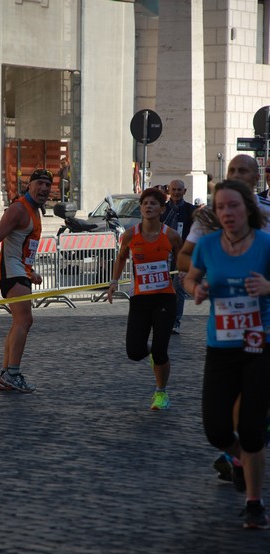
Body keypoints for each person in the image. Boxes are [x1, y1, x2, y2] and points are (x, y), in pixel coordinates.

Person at [184, 179, 270, 529]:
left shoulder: (266, 244)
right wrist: (197, 289)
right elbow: (188, 278)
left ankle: (254, 502)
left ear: (247, 208)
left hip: (258, 345)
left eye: (233, 206)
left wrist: (268, 287)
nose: (227, 213)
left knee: (250, 430)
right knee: (216, 431)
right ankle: (243, 462)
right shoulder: (207, 246)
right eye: (221, 208)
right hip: (220, 346)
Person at [108, 187, 182, 410]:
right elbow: (121, 258)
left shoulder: (171, 235)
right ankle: (154, 354)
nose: (148, 206)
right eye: (145, 203)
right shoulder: (130, 235)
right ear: (141, 208)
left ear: (161, 209)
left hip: (165, 299)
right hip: (140, 299)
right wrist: (113, 282)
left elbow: (181, 259)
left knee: (161, 351)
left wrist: (184, 276)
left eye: (153, 204)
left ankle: (161, 393)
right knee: (134, 351)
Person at [0, 168, 52, 393]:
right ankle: (13, 373)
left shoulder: (35, 211)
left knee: (18, 323)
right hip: (11, 272)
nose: (43, 188)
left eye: (47, 185)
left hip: (20, 271)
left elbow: (23, 248)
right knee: (25, 321)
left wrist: (31, 272)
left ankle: (6, 375)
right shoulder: (19, 208)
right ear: (29, 185)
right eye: (39, 183)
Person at [161, 179, 197, 334]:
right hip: (163, 254)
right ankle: (161, 318)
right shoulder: (162, 209)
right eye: (173, 189)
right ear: (169, 190)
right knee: (162, 288)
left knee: (178, 288)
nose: (176, 192)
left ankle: (175, 321)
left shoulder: (191, 210)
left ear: (185, 191)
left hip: (183, 255)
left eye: (179, 190)